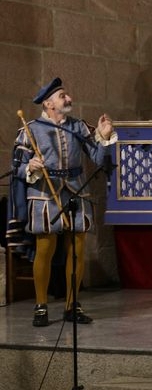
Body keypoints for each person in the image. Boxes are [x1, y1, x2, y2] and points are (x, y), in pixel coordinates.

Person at [12, 77, 116, 327]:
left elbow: (98, 159)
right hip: (44, 193)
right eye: (63, 96)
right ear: (48, 103)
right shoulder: (31, 129)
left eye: (66, 95)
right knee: (45, 250)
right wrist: (30, 165)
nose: (68, 99)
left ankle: (72, 304)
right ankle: (40, 306)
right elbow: (16, 166)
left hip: (77, 190)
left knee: (77, 251)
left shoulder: (78, 127)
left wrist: (103, 138)